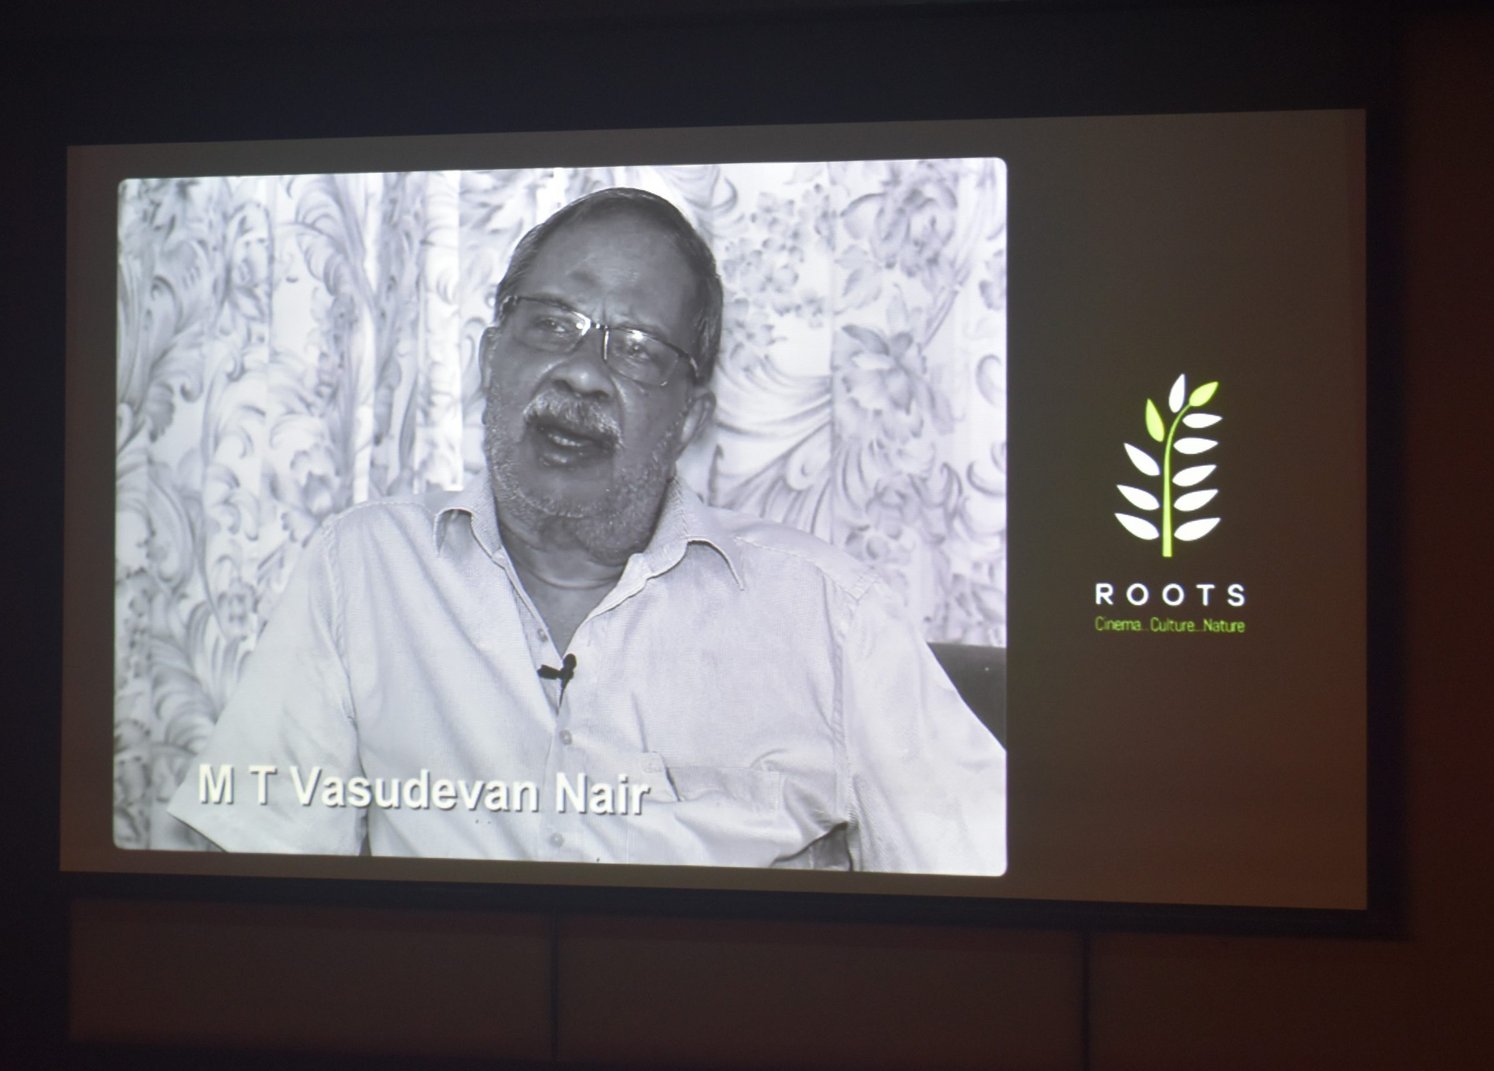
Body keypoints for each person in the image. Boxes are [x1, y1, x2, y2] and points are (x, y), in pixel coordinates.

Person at [168, 187, 1005, 874]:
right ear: (490, 357)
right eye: (551, 324)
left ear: (689, 418)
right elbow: (253, 904)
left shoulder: (832, 619)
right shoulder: (363, 571)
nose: (581, 373)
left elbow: (1002, 905)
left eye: (637, 349)